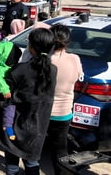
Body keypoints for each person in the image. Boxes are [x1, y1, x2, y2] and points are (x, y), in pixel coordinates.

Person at [0, 28, 57, 175]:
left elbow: (7, 98)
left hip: (15, 124)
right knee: (32, 162)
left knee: (12, 164)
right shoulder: (53, 70)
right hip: (38, 127)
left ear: (31, 46)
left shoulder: (19, 70)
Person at [46, 24, 83, 175]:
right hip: (64, 113)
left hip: (43, 112)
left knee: (34, 148)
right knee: (60, 150)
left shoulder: (45, 60)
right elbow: (78, 77)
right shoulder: (75, 59)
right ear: (67, 41)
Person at [0, 41, 22, 140]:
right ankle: (7, 126)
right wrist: (5, 91)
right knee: (9, 107)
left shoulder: (8, 66)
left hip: (5, 93)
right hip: (0, 93)